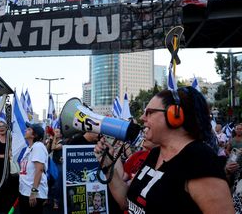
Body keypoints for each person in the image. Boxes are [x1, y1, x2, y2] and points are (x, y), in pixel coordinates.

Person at [94, 86, 234, 213]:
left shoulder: (199, 159)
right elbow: (127, 202)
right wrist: (107, 166)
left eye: (149, 112)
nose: (142, 118)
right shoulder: (155, 154)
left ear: (175, 116)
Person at [19, 123, 48, 214]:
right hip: (25, 192)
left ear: (34, 135)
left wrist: (34, 192)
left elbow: (39, 170)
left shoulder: (38, 146)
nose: (25, 130)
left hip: (34, 194)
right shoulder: (29, 148)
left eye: (29, 129)